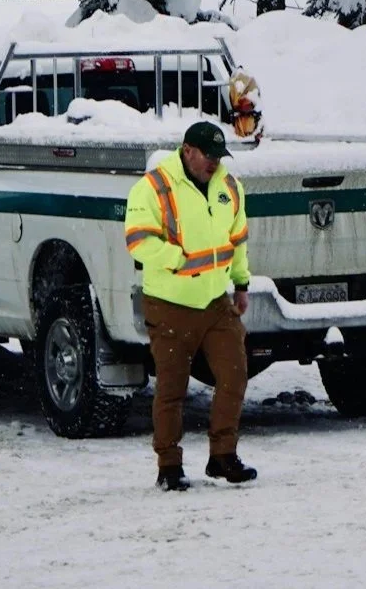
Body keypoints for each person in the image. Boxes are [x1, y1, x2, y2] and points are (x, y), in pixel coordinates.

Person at [125, 121, 257, 491]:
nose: (214, 163)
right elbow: (137, 240)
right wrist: (176, 259)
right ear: (187, 151)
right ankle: (168, 465)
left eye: (219, 156)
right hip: (170, 303)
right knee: (172, 388)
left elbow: (238, 238)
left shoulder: (229, 187)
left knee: (234, 374)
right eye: (208, 156)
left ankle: (222, 457)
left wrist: (241, 283)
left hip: (216, 302)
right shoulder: (153, 187)